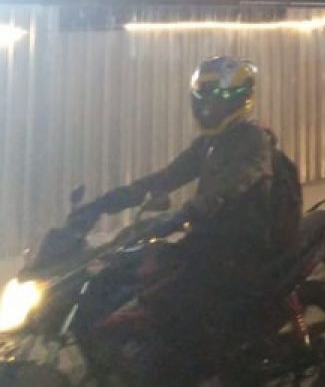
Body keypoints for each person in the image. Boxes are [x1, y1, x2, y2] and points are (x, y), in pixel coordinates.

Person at [67, 56, 298, 375]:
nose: (208, 109)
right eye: (203, 101)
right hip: (211, 234)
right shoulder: (209, 143)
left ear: (240, 100)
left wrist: (183, 214)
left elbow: (231, 187)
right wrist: (105, 203)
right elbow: (167, 177)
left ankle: (199, 370)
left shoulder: (252, 140)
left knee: (179, 298)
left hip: (242, 242)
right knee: (128, 274)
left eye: (217, 101)